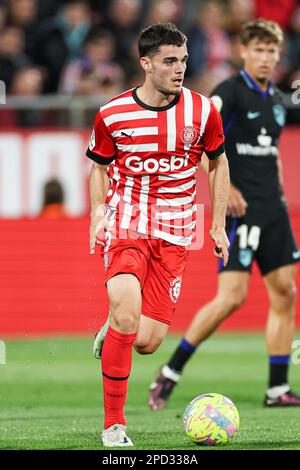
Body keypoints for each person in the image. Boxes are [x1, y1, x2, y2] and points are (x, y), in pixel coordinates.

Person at [87, 23, 230, 447]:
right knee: (128, 312)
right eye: (170, 61)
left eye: (184, 60)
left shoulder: (203, 111)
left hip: (175, 233)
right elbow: (98, 165)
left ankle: (115, 325)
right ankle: (114, 426)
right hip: (126, 223)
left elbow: (219, 163)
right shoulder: (113, 114)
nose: (180, 68)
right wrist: (98, 212)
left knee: (146, 342)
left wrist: (218, 223)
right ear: (145, 63)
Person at [148, 18, 300, 411]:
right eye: (259, 50)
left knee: (286, 292)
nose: (266, 58)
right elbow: (199, 144)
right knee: (231, 298)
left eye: (272, 52)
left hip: (273, 210)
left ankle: (277, 388)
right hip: (241, 209)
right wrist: (225, 188)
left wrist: (279, 195)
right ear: (243, 52)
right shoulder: (228, 94)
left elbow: (270, 156)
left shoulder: (278, 101)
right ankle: (172, 370)